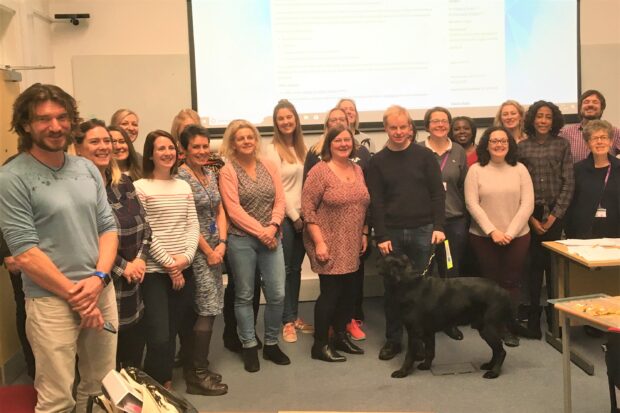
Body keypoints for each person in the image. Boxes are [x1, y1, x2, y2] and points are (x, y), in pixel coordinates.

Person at [0, 83, 118, 412]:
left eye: (62, 117)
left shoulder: (85, 168)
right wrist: (77, 296)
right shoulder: (11, 177)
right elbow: (25, 251)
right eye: (44, 119)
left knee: (101, 386)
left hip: (99, 291)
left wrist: (97, 280)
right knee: (56, 399)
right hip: (51, 302)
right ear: (26, 124)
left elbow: (108, 228)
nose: (55, 126)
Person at [366, 105, 446, 361]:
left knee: (423, 291)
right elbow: (376, 201)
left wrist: (439, 227)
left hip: (424, 231)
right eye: (393, 127)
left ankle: (420, 341)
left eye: (403, 127)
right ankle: (393, 340)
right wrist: (382, 236)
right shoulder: (377, 162)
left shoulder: (425, 156)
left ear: (410, 128)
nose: (398, 132)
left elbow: (437, 194)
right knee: (393, 291)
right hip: (393, 235)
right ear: (385, 129)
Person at [74, 119, 151, 369]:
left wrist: (139, 260)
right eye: (94, 141)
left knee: (133, 359)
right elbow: (85, 238)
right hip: (102, 285)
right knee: (103, 367)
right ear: (78, 148)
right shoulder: (75, 189)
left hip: (133, 286)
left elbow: (145, 225)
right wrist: (122, 267)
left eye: (106, 140)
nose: (104, 146)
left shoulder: (124, 183)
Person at [218, 119, 290, 373]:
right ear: (233, 143)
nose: (247, 141)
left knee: (278, 293)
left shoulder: (269, 165)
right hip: (242, 241)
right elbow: (233, 210)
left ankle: (271, 342)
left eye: (251, 137)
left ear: (256, 140)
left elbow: (280, 200)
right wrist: (262, 232)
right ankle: (249, 344)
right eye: (241, 138)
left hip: (272, 236)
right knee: (245, 295)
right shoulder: (227, 170)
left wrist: (272, 227)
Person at [133, 130, 199, 387]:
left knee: (174, 328)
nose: (167, 153)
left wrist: (185, 258)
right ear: (150, 153)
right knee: (158, 334)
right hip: (154, 273)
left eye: (171, 148)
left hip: (184, 267)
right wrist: (171, 265)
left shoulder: (183, 185)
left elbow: (192, 225)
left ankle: (165, 379)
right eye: (161, 148)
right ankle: (154, 380)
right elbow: (145, 231)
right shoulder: (140, 187)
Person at [302, 124, 370, 362]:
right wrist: (319, 243)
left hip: (352, 241)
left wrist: (364, 233)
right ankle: (320, 344)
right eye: (338, 141)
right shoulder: (320, 171)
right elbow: (308, 209)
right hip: (328, 241)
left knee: (349, 293)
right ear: (329, 145)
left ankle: (340, 336)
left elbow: (362, 204)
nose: (343, 144)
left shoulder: (357, 169)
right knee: (331, 294)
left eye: (347, 141)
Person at [464, 126, 534, 347]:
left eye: (503, 141)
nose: (499, 145)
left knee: (511, 283)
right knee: (490, 283)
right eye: (494, 141)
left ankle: (507, 327)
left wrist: (510, 233)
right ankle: (491, 325)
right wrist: (492, 231)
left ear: (510, 144)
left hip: (518, 235)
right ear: (486, 144)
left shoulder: (520, 169)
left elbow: (528, 204)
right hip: (484, 237)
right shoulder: (476, 170)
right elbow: (472, 204)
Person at [176, 125, 228, 395]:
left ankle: (198, 365)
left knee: (210, 307)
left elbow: (220, 209)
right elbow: (187, 221)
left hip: (215, 250)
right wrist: (209, 250)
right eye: (195, 147)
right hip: (196, 252)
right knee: (206, 309)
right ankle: (197, 375)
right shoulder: (180, 178)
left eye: (205, 146)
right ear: (183, 150)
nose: (201, 151)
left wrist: (222, 242)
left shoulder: (209, 172)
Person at [518, 100, 574, 338]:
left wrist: (554, 216)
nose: (543, 120)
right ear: (532, 119)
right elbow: (518, 184)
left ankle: (555, 320)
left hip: (554, 214)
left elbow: (569, 182)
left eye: (548, 117)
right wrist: (530, 217)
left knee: (553, 270)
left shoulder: (562, 145)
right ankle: (532, 319)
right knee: (532, 269)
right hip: (529, 214)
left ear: (554, 121)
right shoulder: (522, 147)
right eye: (539, 116)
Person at [263, 99, 313, 344]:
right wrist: (294, 217)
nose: (286, 122)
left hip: (305, 217)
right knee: (283, 271)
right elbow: (277, 188)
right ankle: (285, 322)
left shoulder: (304, 149)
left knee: (295, 270)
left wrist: (306, 216)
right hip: (285, 218)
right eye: (281, 118)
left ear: (296, 119)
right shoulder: (271, 150)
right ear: (275, 122)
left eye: (289, 117)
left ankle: (293, 316)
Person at [566, 120, 620, 238]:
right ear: (587, 144)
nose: (599, 142)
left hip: (616, 234)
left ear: (611, 142)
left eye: (603, 137)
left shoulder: (618, 167)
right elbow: (572, 203)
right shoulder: (577, 170)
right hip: (584, 233)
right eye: (594, 138)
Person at [303, 107, 371, 180]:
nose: (338, 122)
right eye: (333, 120)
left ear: (347, 123)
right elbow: (307, 184)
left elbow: (370, 183)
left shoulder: (362, 151)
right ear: (327, 125)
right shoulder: (314, 151)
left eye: (342, 119)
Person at [559, 89, 620, 163]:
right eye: (586, 102)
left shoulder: (614, 132)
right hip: (577, 174)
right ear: (580, 107)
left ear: (602, 108)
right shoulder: (566, 133)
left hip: (607, 174)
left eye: (595, 102)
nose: (590, 105)